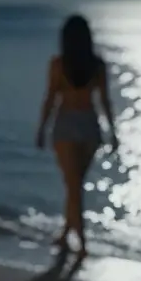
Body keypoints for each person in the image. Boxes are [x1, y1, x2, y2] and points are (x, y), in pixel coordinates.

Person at [36, 14, 118, 253]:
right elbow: (104, 101)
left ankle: (81, 244)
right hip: (89, 125)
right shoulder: (98, 65)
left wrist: (41, 128)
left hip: (65, 125)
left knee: (73, 186)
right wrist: (112, 132)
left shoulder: (58, 64)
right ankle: (66, 234)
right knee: (75, 185)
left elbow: (50, 99)